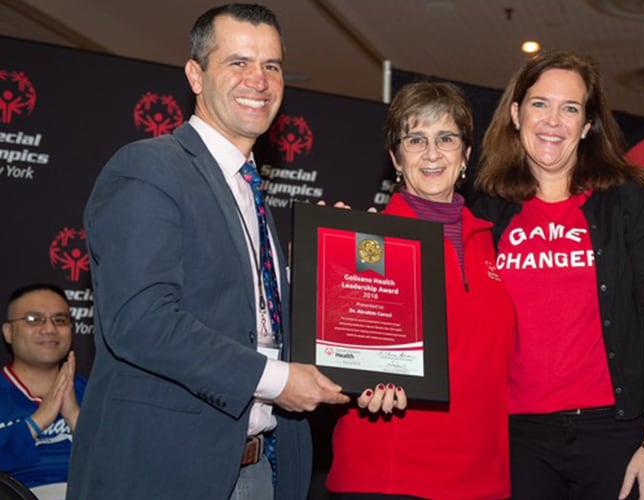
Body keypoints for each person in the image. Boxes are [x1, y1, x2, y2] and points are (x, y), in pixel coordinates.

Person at [67, 4, 349, 499]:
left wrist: (326, 274)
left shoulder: (250, 189)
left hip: (262, 469)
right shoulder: (149, 168)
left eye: (272, 66)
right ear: (196, 75)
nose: (258, 81)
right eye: (238, 63)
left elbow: (246, 320)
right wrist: (277, 379)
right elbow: (141, 320)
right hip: (165, 473)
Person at [472, 50, 644, 500]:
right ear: (515, 113)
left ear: (587, 126)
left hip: (616, 434)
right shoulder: (486, 211)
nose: (553, 120)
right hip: (516, 437)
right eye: (539, 104)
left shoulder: (629, 204)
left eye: (570, 108)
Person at [325, 81, 516, 499]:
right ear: (396, 156)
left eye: (446, 138)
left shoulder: (491, 241)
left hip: (485, 480)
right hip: (389, 477)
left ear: (466, 155)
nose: (432, 153)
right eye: (416, 139)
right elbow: (334, 362)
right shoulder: (365, 242)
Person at [1, 283, 85, 498]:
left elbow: (124, 464)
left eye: (60, 320)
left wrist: (75, 417)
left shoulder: (94, 392)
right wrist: (37, 421)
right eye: (33, 319)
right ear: (8, 332)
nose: (49, 329)